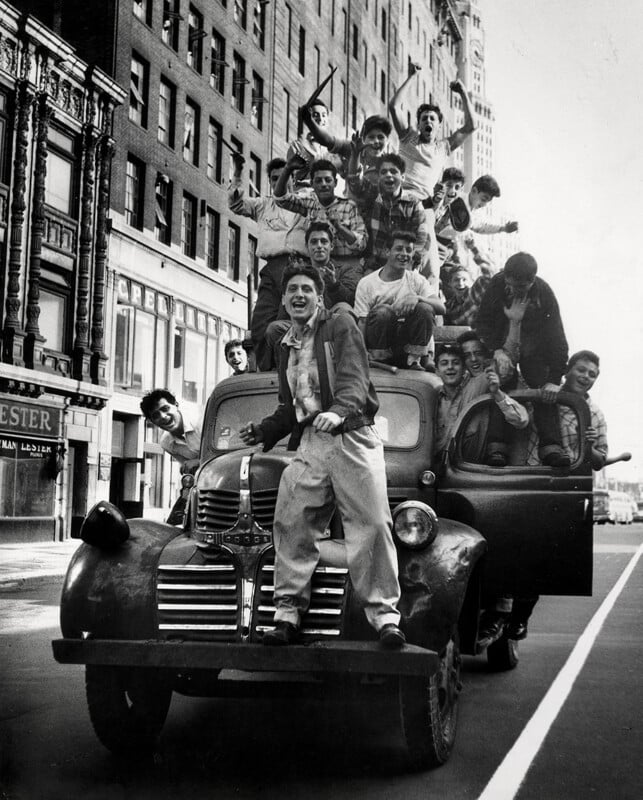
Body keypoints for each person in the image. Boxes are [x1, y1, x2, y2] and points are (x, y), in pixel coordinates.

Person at [239, 263, 404, 649]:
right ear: (282, 300)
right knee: (292, 519)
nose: (299, 295)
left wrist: (341, 410)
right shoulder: (285, 344)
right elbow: (290, 405)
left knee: (372, 525)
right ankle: (287, 614)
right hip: (312, 440)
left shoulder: (340, 324)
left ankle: (385, 619)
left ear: (319, 296)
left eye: (307, 289)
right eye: (292, 289)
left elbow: (354, 378)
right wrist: (265, 430)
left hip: (352, 435)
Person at [475, 252, 571, 467]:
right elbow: (482, 323)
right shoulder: (496, 285)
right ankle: (497, 447)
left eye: (520, 288)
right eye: (510, 286)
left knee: (542, 384)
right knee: (500, 382)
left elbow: (557, 338)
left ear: (532, 281)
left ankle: (551, 447)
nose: (513, 291)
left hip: (534, 349)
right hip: (504, 343)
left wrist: (554, 380)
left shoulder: (544, 294)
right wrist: (496, 350)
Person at [228, 155, 307, 371]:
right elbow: (235, 204)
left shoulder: (303, 204)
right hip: (271, 268)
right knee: (260, 323)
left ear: (292, 178)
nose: (278, 182)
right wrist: (237, 172)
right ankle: (267, 370)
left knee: (283, 322)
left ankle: (288, 369)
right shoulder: (263, 205)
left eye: (283, 177)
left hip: (296, 268)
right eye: (273, 178)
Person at [353, 231, 445, 370]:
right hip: (379, 347)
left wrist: (417, 298)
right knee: (383, 312)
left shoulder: (416, 280)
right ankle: (381, 360)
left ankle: (415, 361)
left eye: (409, 250)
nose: (404, 254)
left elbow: (441, 308)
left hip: (407, 346)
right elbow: (362, 322)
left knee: (425, 308)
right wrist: (360, 352)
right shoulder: (367, 283)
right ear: (387, 251)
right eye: (399, 249)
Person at [389, 64, 476, 205]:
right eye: (424, 118)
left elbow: (471, 126)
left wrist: (463, 93)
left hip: (424, 205)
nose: (427, 121)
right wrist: (412, 77)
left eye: (432, 118)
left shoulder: (443, 148)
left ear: (439, 126)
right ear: (419, 125)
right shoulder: (408, 137)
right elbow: (394, 106)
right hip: (400, 198)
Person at [433, 343, 529, 462]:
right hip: (435, 470)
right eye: (444, 363)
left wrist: (497, 392)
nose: (450, 367)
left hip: (468, 468)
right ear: (436, 370)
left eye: (456, 363)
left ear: (464, 369)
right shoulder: (432, 396)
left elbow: (521, 420)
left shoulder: (478, 386)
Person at [274, 157, 367, 268]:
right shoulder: (310, 203)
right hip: (318, 266)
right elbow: (281, 199)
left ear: (335, 183)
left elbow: (361, 244)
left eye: (328, 180)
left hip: (346, 267)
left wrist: (339, 227)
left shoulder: (349, 206)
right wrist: (288, 169)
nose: (323, 184)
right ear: (312, 184)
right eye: (318, 181)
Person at [351, 153, 430, 276]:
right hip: (374, 266)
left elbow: (422, 239)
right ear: (378, 177)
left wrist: (410, 264)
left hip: (404, 265)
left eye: (393, 171)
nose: (388, 175)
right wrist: (355, 156)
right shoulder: (372, 198)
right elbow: (355, 182)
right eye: (383, 172)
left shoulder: (413, 204)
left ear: (403, 177)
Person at [304, 221, 363, 312]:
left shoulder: (347, 269)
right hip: (303, 319)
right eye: (314, 242)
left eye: (324, 241)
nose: (319, 246)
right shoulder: (300, 272)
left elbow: (352, 301)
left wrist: (334, 285)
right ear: (307, 247)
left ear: (331, 246)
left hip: (334, 321)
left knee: (343, 308)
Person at [286, 99, 343, 190]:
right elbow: (292, 178)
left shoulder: (334, 149)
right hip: (305, 196)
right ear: (307, 120)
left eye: (324, 115)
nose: (321, 119)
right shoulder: (298, 146)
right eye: (315, 115)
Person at [140, 389, 201, 473]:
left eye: (165, 409)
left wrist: (198, 462)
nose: (163, 416)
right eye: (156, 415)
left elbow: (224, 452)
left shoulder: (200, 422)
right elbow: (189, 468)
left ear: (176, 405)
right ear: (152, 422)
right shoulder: (166, 443)